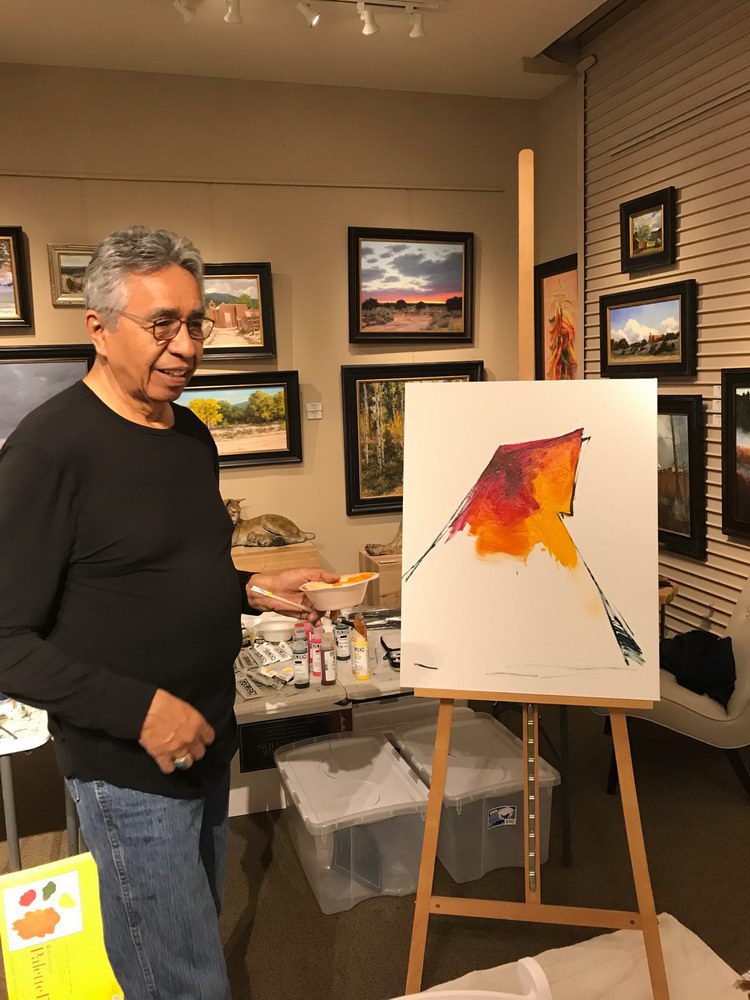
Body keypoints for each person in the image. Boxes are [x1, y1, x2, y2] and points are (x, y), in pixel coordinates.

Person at [0, 226, 337, 999]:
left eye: (196, 323)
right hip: (130, 769)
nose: (186, 346)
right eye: (162, 325)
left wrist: (253, 588)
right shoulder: (50, 452)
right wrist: (143, 711)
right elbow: (5, 638)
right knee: (180, 981)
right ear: (98, 328)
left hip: (210, 736)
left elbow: (169, 575)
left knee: (190, 941)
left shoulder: (188, 432)